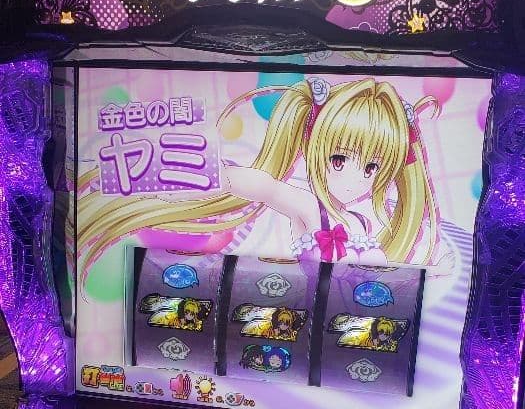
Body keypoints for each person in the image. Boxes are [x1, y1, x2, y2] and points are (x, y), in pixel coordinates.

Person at [78, 77, 442, 284]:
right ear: (314, 147)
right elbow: (257, 184)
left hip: (350, 333)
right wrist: (135, 172)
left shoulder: (362, 221)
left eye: (372, 168)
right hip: (310, 324)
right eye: (339, 159)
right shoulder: (309, 206)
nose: (354, 179)